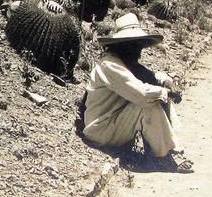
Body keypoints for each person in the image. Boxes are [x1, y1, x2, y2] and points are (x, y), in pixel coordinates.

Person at [83, 12, 193, 173]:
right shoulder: (110, 65)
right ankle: (163, 157)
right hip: (101, 129)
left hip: (113, 123)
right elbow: (141, 93)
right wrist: (166, 92)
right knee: (148, 104)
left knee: (159, 94)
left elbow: (150, 75)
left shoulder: (125, 62)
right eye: (133, 44)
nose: (138, 50)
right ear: (121, 45)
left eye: (138, 44)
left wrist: (166, 82)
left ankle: (168, 148)